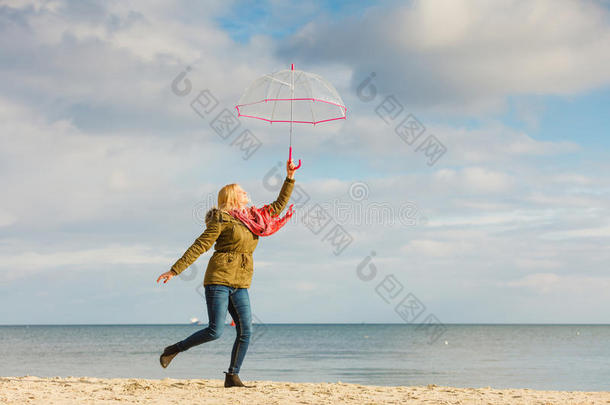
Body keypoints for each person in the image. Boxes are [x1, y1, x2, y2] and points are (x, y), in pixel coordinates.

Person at [156, 159, 297, 388]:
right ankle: (173, 349)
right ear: (232, 197)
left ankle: (232, 376)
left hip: (241, 281)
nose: (246, 193)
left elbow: (279, 205)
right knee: (215, 331)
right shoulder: (221, 219)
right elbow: (200, 245)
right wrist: (175, 269)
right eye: (241, 192)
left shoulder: (254, 217)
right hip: (219, 280)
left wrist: (289, 177)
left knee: (246, 330)